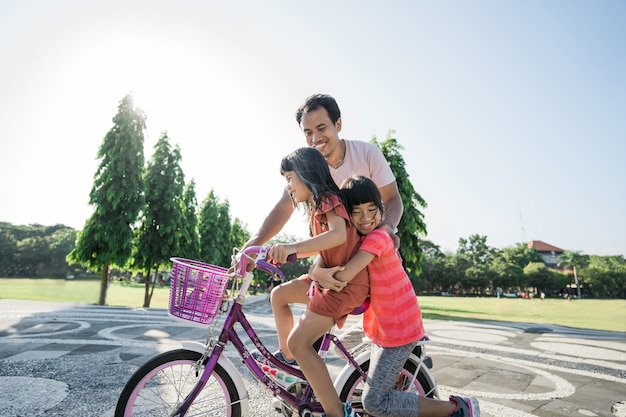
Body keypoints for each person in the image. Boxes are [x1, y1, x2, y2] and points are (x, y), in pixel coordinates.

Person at [244, 93, 403, 364]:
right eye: (308, 132)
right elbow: (284, 208)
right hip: (333, 261)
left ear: (338, 125)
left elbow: (393, 200)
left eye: (321, 128)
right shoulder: (308, 169)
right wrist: (254, 244)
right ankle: (296, 372)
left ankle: (395, 373)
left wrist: (385, 231)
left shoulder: (366, 154)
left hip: (369, 260)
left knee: (388, 338)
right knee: (302, 327)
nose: (315, 138)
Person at [334, 175, 480, 417]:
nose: (366, 217)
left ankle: (457, 409)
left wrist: (317, 274)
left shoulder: (378, 238)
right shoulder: (372, 238)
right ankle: (396, 375)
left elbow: (346, 274)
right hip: (382, 322)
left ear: (381, 209)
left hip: (398, 329)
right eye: (357, 212)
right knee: (343, 346)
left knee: (374, 403)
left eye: (372, 209)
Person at [264, 147, 369, 417]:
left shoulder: (328, 199)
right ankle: (290, 369)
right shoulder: (315, 209)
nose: (287, 186)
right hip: (328, 279)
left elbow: (337, 237)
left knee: (300, 342)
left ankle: (337, 413)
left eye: (289, 178)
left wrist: (292, 247)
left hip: (344, 285)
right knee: (279, 295)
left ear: (306, 174)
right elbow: (324, 250)